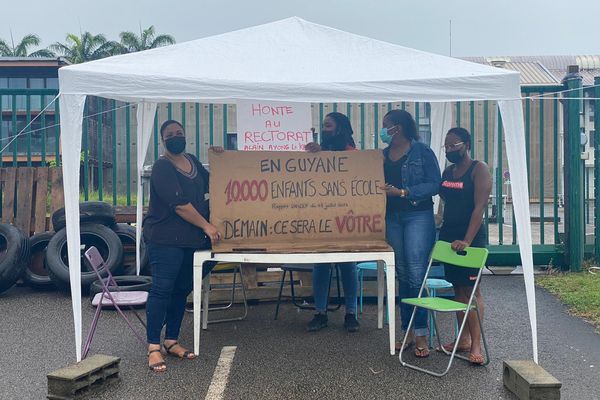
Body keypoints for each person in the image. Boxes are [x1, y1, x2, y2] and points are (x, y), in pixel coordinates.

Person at [143, 119, 222, 372]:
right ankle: (153, 347)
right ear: (163, 140)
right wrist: (207, 227)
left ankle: (171, 341)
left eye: (180, 132)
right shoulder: (162, 167)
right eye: (170, 134)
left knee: (180, 290)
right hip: (165, 239)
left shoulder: (192, 161)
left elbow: (215, 183)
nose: (176, 136)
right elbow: (179, 205)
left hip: (190, 239)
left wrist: (223, 161)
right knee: (162, 290)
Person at [378, 109, 441, 358]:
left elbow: (435, 184)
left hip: (417, 215)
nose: (383, 130)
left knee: (415, 273)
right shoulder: (381, 155)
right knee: (402, 274)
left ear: (398, 128)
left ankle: (421, 334)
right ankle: (408, 332)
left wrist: (404, 192)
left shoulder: (422, 152)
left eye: (386, 126)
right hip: (392, 217)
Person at [438, 127, 492, 365]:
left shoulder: (478, 169)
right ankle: (462, 339)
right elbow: (444, 203)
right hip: (450, 236)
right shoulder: (448, 171)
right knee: (458, 290)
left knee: (472, 292)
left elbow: (479, 207)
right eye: (447, 146)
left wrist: (468, 240)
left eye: (454, 145)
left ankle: (476, 345)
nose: (450, 150)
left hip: (470, 237)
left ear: (467, 145)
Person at [305, 112, 359, 332]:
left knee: (348, 264)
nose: (325, 129)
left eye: (329, 125)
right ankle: (320, 312)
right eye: (323, 126)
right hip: (321, 216)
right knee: (321, 264)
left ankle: (351, 314)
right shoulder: (317, 152)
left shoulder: (352, 153)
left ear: (340, 128)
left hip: (347, 216)